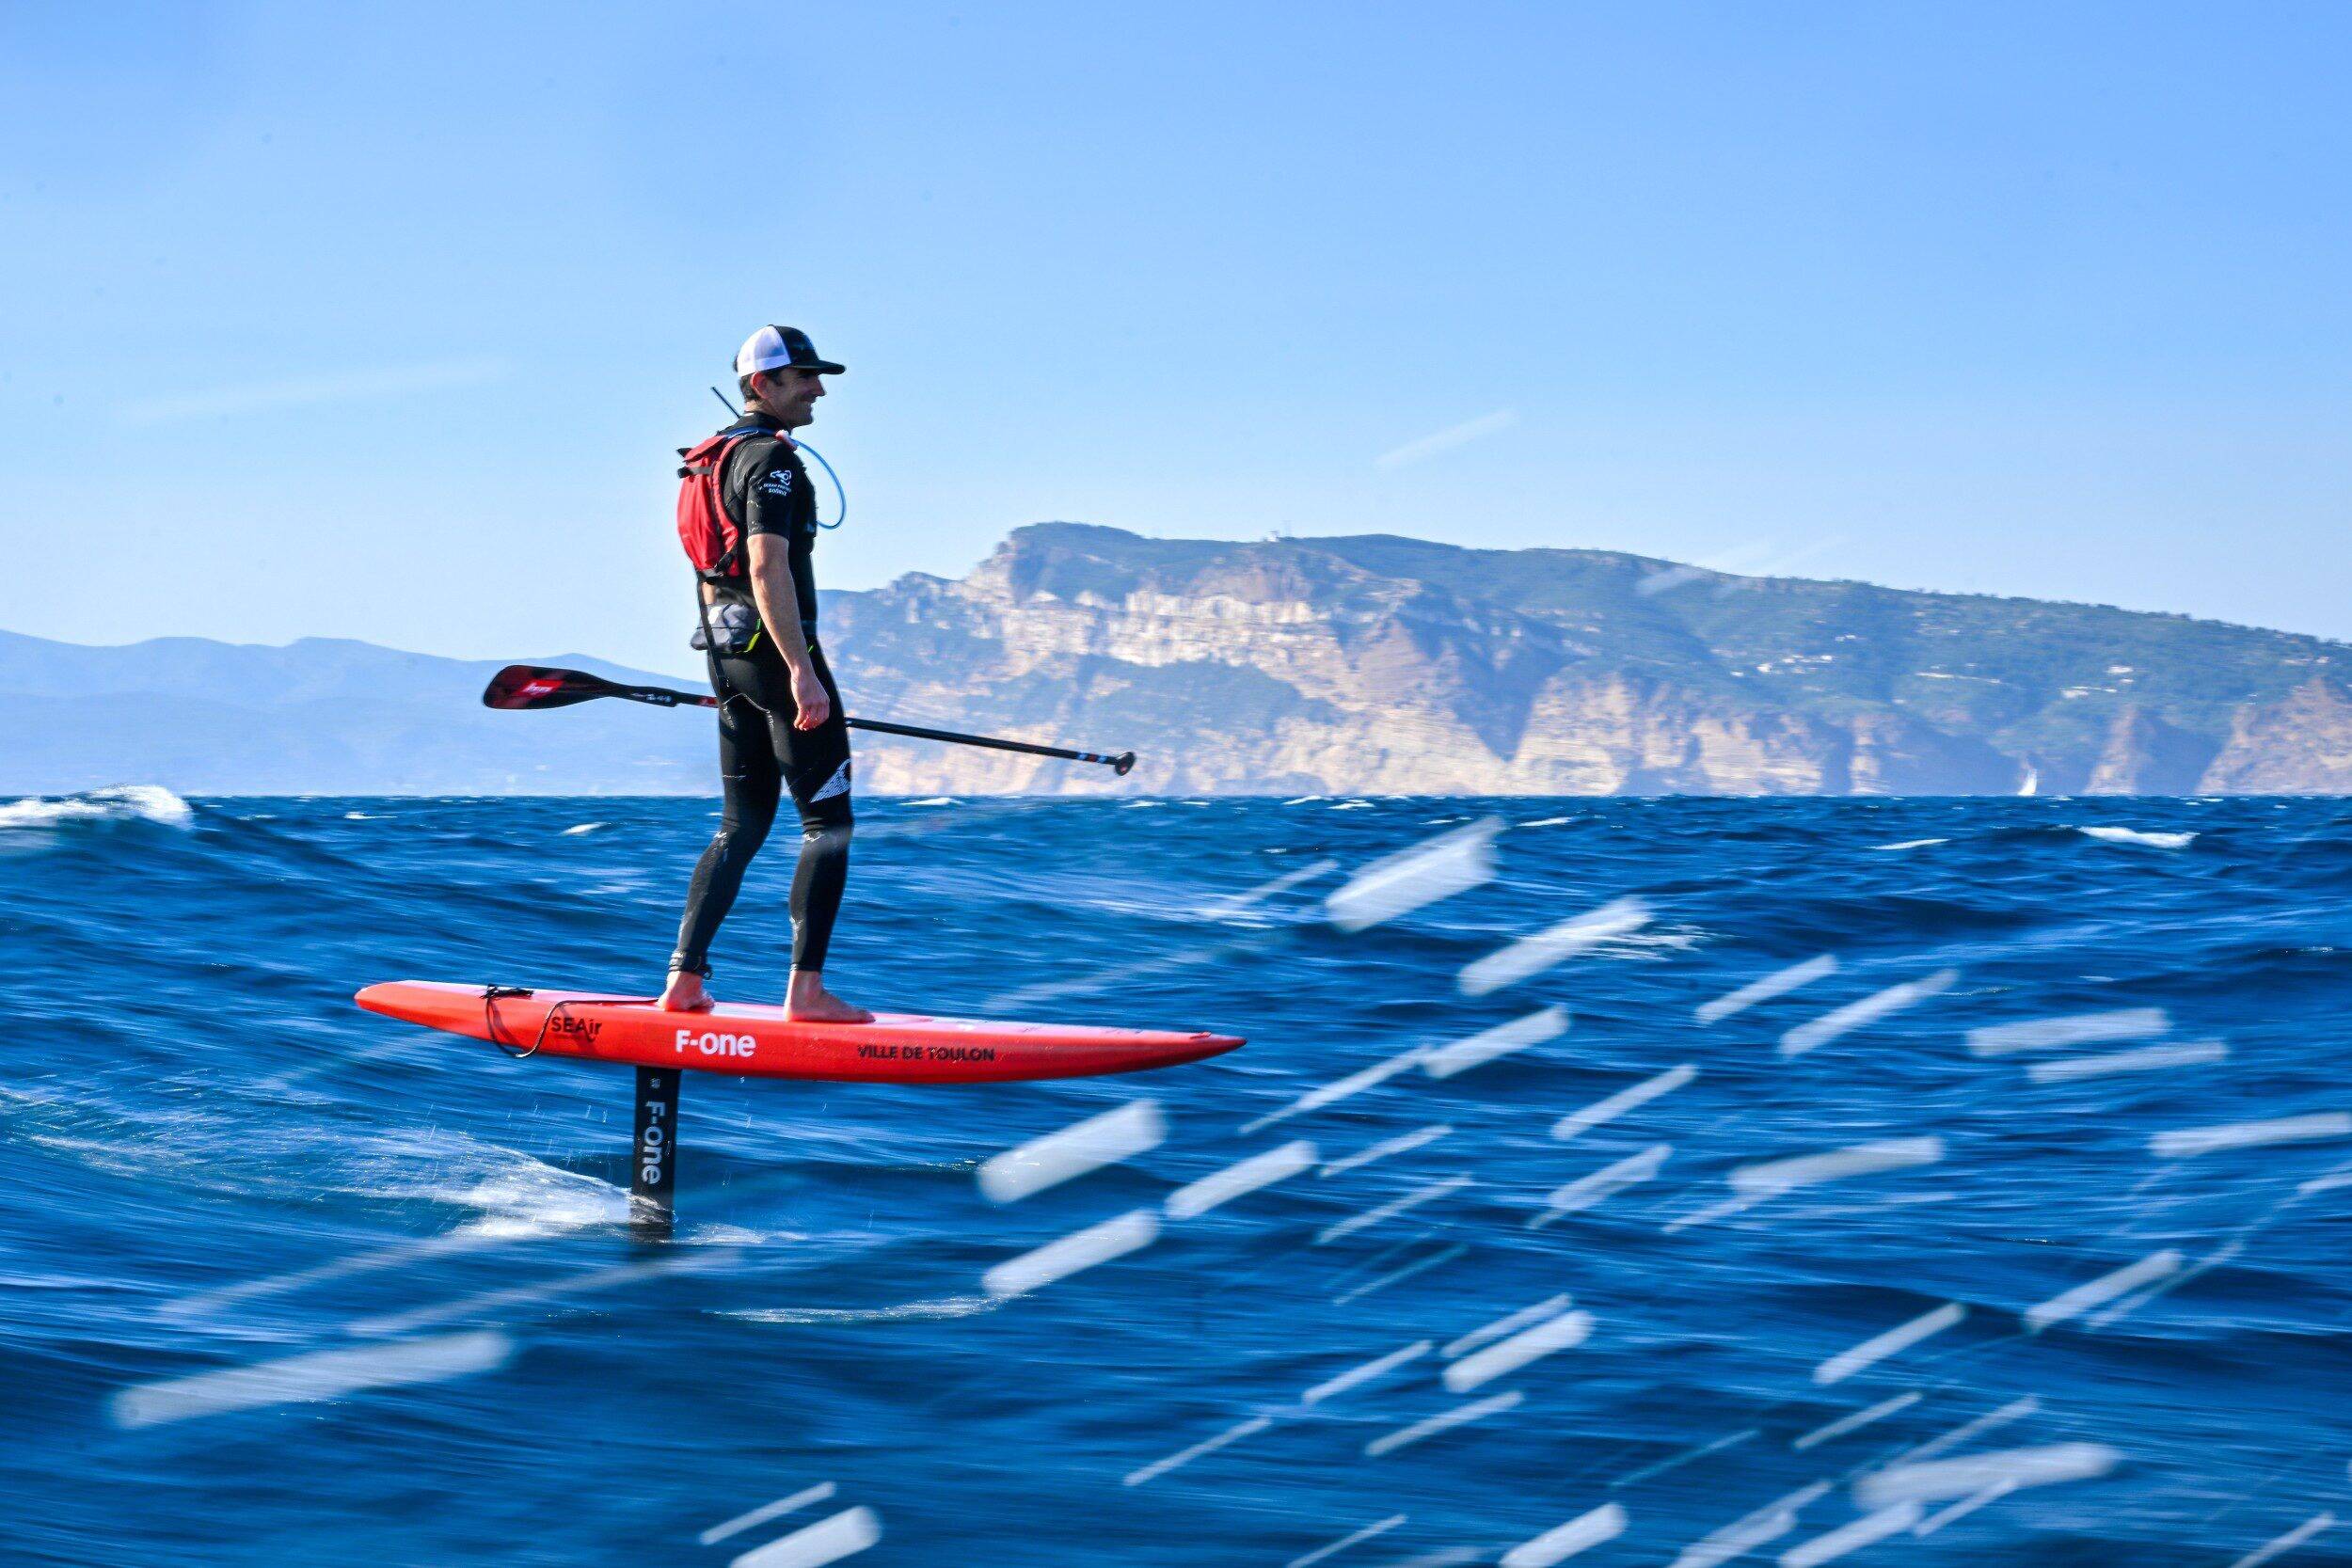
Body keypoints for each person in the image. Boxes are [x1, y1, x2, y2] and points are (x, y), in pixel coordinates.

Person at [659, 325, 869, 1022]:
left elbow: (712, 576)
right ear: (763, 386)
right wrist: (802, 675)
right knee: (825, 823)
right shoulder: (771, 463)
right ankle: (806, 992)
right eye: (804, 376)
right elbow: (764, 566)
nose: (818, 388)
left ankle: (684, 983)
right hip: (778, 657)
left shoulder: (709, 460)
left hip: (727, 658)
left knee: (741, 824)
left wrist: (738, 675)